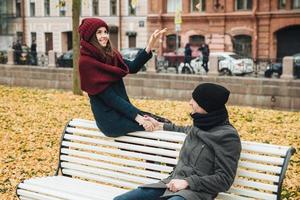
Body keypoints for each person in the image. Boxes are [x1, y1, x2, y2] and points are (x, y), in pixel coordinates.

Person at [114, 83, 241, 200]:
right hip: (170, 184)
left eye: (194, 100)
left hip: (195, 193)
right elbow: (184, 129)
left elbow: (224, 179)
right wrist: (160, 125)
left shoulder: (227, 136)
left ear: (206, 105)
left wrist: (188, 182)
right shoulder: (201, 124)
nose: (190, 103)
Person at [78, 18, 169, 137]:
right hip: (111, 120)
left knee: (162, 122)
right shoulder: (86, 62)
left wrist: (150, 44)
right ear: (90, 36)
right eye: (99, 32)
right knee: (157, 126)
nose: (104, 35)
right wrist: (139, 118)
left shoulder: (110, 55)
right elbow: (110, 98)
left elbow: (133, 67)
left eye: (105, 32)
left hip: (124, 112)